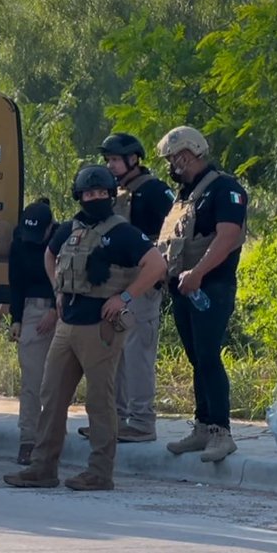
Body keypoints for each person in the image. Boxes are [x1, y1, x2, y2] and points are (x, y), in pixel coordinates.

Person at [3, 166, 166, 491]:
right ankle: (42, 468)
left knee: (99, 401)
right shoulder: (69, 229)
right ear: (80, 197)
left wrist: (125, 297)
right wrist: (58, 291)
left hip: (101, 326)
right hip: (68, 323)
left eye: (101, 193)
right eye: (89, 194)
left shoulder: (122, 232)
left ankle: (99, 472)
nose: (95, 198)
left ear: (110, 195)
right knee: (52, 395)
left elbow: (157, 264)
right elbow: (50, 256)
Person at [155, 126, 248, 464]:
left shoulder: (225, 190)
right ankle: (203, 426)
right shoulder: (185, 195)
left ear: (189, 154)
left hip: (212, 287)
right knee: (196, 358)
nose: (171, 165)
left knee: (209, 356)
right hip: (183, 288)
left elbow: (228, 236)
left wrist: (198, 274)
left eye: (174, 158)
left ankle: (222, 432)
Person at [98, 132, 174, 442]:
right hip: (116, 285)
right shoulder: (114, 193)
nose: (111, 165)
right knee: (115, 353)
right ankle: (116, 419)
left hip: (143, 285)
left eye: (115, 159)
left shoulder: (155, 191)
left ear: (133, 159)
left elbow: (172, 233)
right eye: (108, 161)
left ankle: (142, 421)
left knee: (138, 352)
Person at [8, 198, 59, 466]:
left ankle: (53, 439)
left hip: (63, 307)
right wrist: (16, 319)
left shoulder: (62, 238)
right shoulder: (19, 243)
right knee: (32, 380)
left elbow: (67, 276)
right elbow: (16, 282)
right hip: (31, 309)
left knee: (58, 384)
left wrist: (54, 307)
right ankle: (28, 439)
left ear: (50, 228)